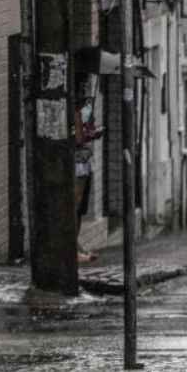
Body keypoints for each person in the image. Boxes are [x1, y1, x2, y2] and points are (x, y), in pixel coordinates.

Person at [75, 93, 104, 264]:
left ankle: (76, 247)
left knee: (79, 209)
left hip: (84, 160)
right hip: (77, 162)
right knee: (75, 207)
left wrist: (91, 131)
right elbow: (79, 138)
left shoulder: (86, 106)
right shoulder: (75, 109)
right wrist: (91, 135)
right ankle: (73, 250)